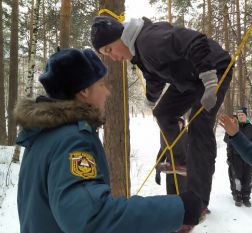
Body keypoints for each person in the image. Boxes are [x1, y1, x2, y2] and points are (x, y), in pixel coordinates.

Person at [14, 48, 202, 233]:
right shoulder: (71, 141)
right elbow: (91, 217)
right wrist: (178, 209)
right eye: (102, 84)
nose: (108, 92)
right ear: (85, 91)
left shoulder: (46, 134)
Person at [90, 16, 233, 231]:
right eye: (106, 55)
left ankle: (199, 203)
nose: (113, 57)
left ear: (119, 37)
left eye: (109, 50)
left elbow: (194, 41)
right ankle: (181, 159)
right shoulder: (139, 54)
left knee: (200, 125)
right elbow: (155, 78)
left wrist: (210, 78)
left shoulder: (150, 39)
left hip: (213, 68)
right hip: (189, 80)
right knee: (163, 113)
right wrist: (150, 98)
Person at [223, 107, 252, 207]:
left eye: (242, 115)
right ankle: (237, 195)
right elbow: (228, 143)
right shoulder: (233, 127)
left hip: (249, 157)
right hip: (236, 157)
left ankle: (246, 196)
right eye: (239, 115)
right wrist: (229, 157)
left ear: (246, 116)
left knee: (248, 177)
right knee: (236, 177)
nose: (241, 116)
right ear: (237, 117)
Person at [155, 117, 188, 195]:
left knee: (182, 197)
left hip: (182, 173)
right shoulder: (168, 137)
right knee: (171, 196)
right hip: (170, 172)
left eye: (179, 125)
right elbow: (162, 152)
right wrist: (157, 171)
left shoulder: (187, 136)